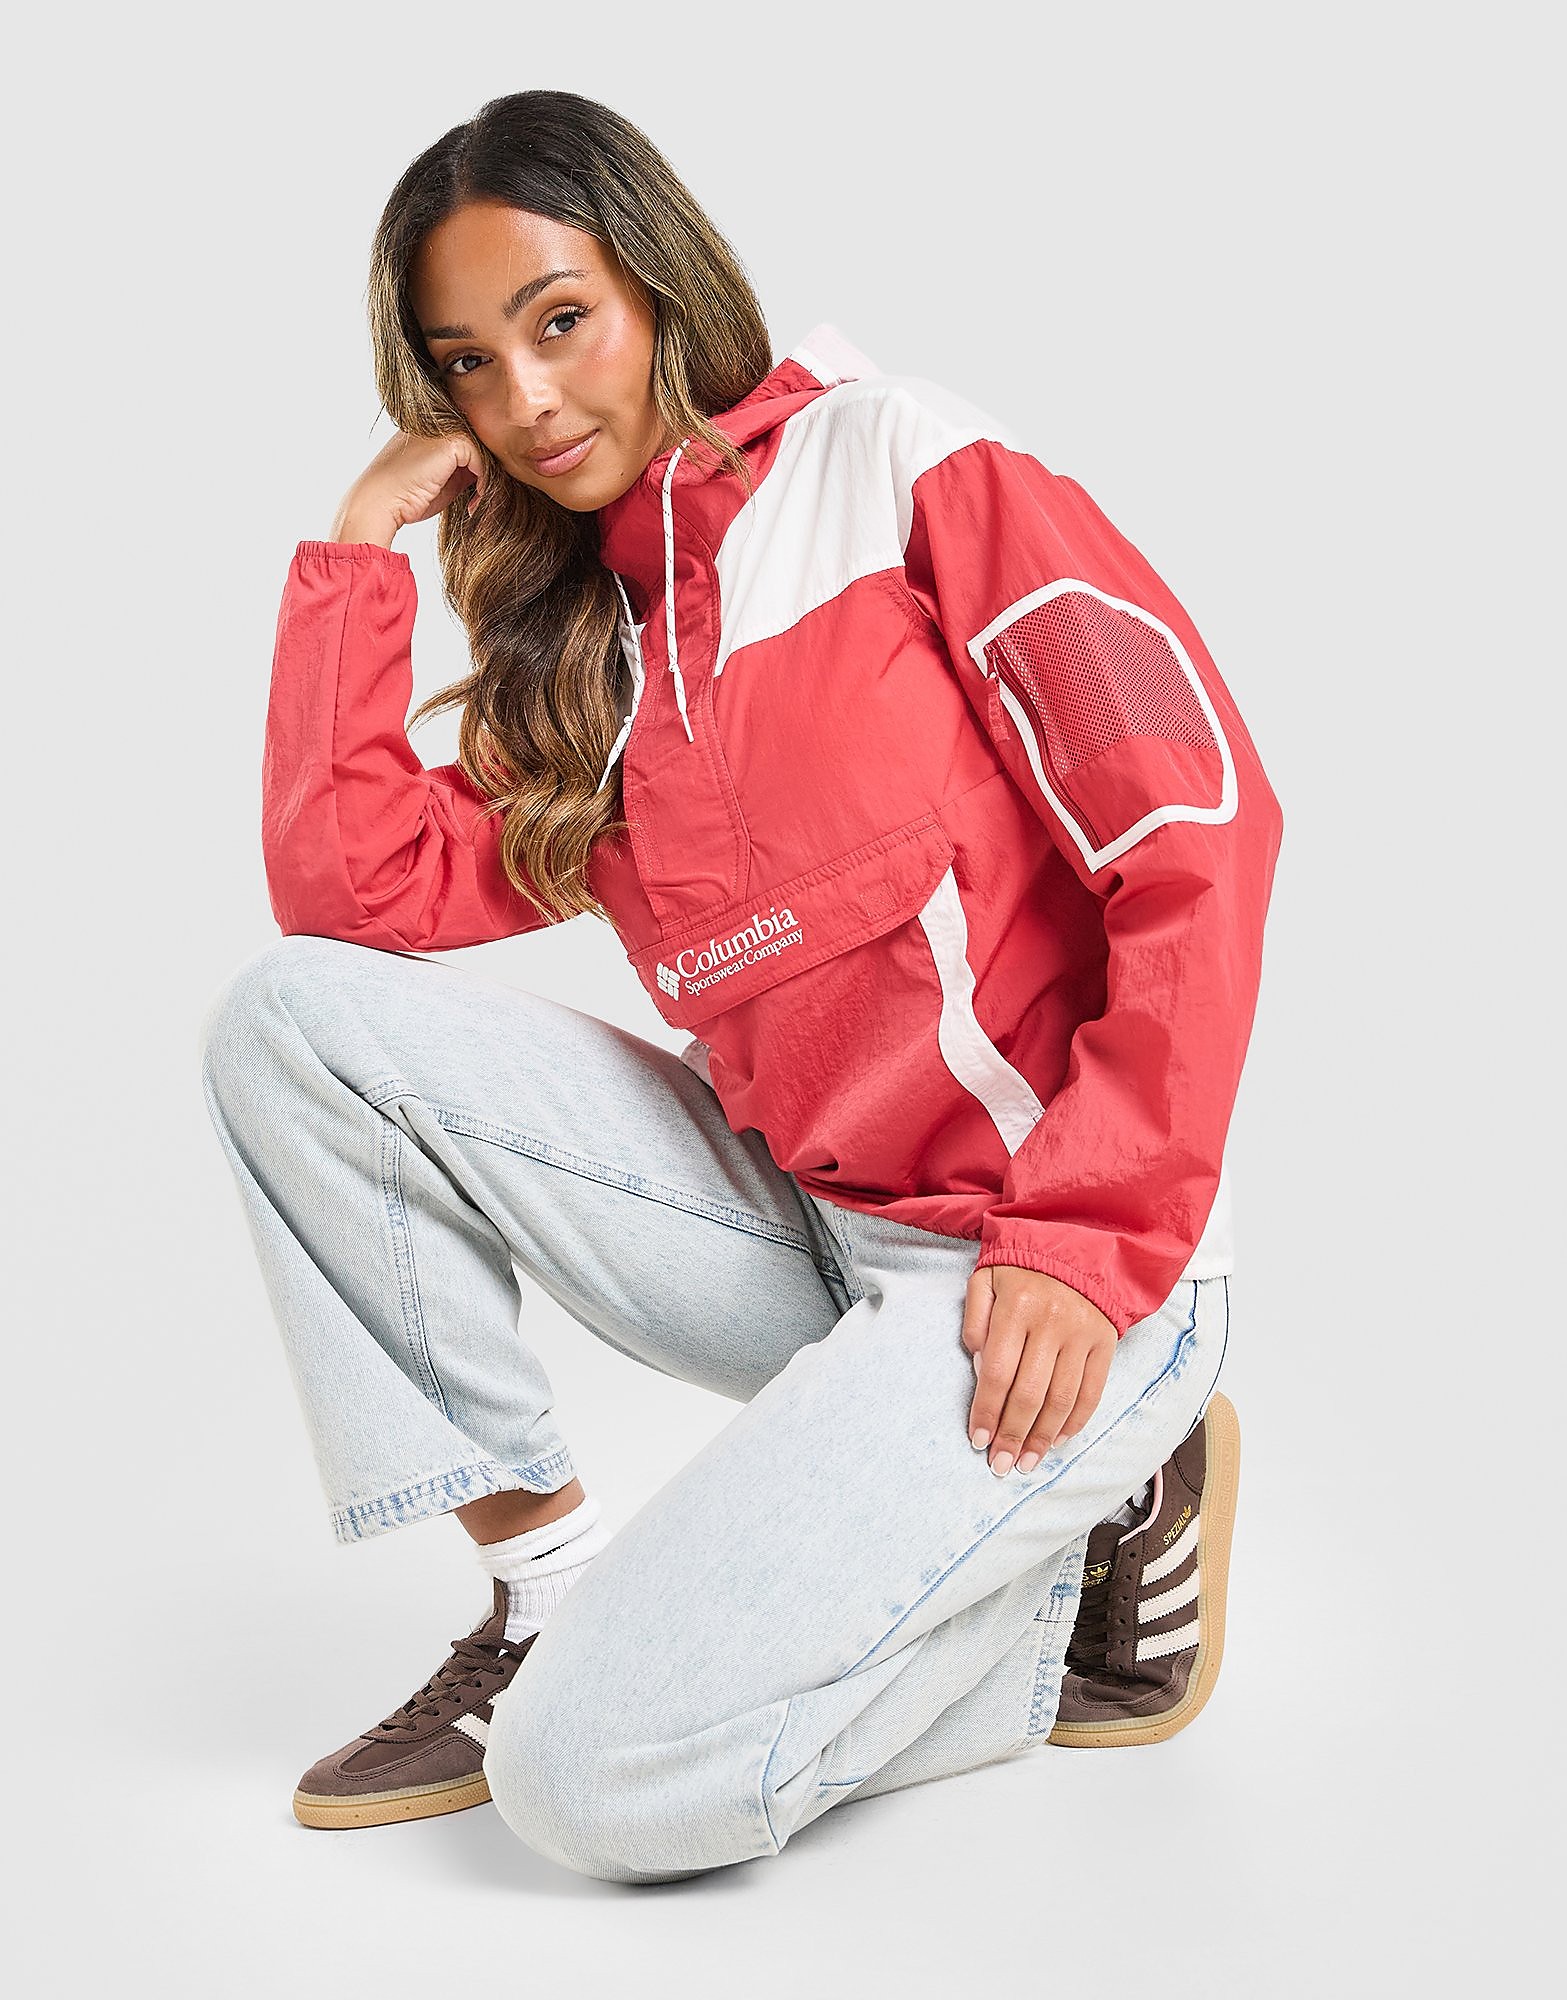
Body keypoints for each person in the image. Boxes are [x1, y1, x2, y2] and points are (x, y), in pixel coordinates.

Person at [198, 88, 1282, 1884]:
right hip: (811, 1237)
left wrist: (1092, 1238)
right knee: (288, 1024)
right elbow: (353, 899)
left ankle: (1060, 1619)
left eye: (561, 321)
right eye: (467, 366)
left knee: (582, 1788)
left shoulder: (899, 464)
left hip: (1053, 1275)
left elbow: (1196, 828)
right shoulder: (589, 648)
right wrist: (359, 557)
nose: (527, 401)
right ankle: (544, 1589)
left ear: (660, 282)